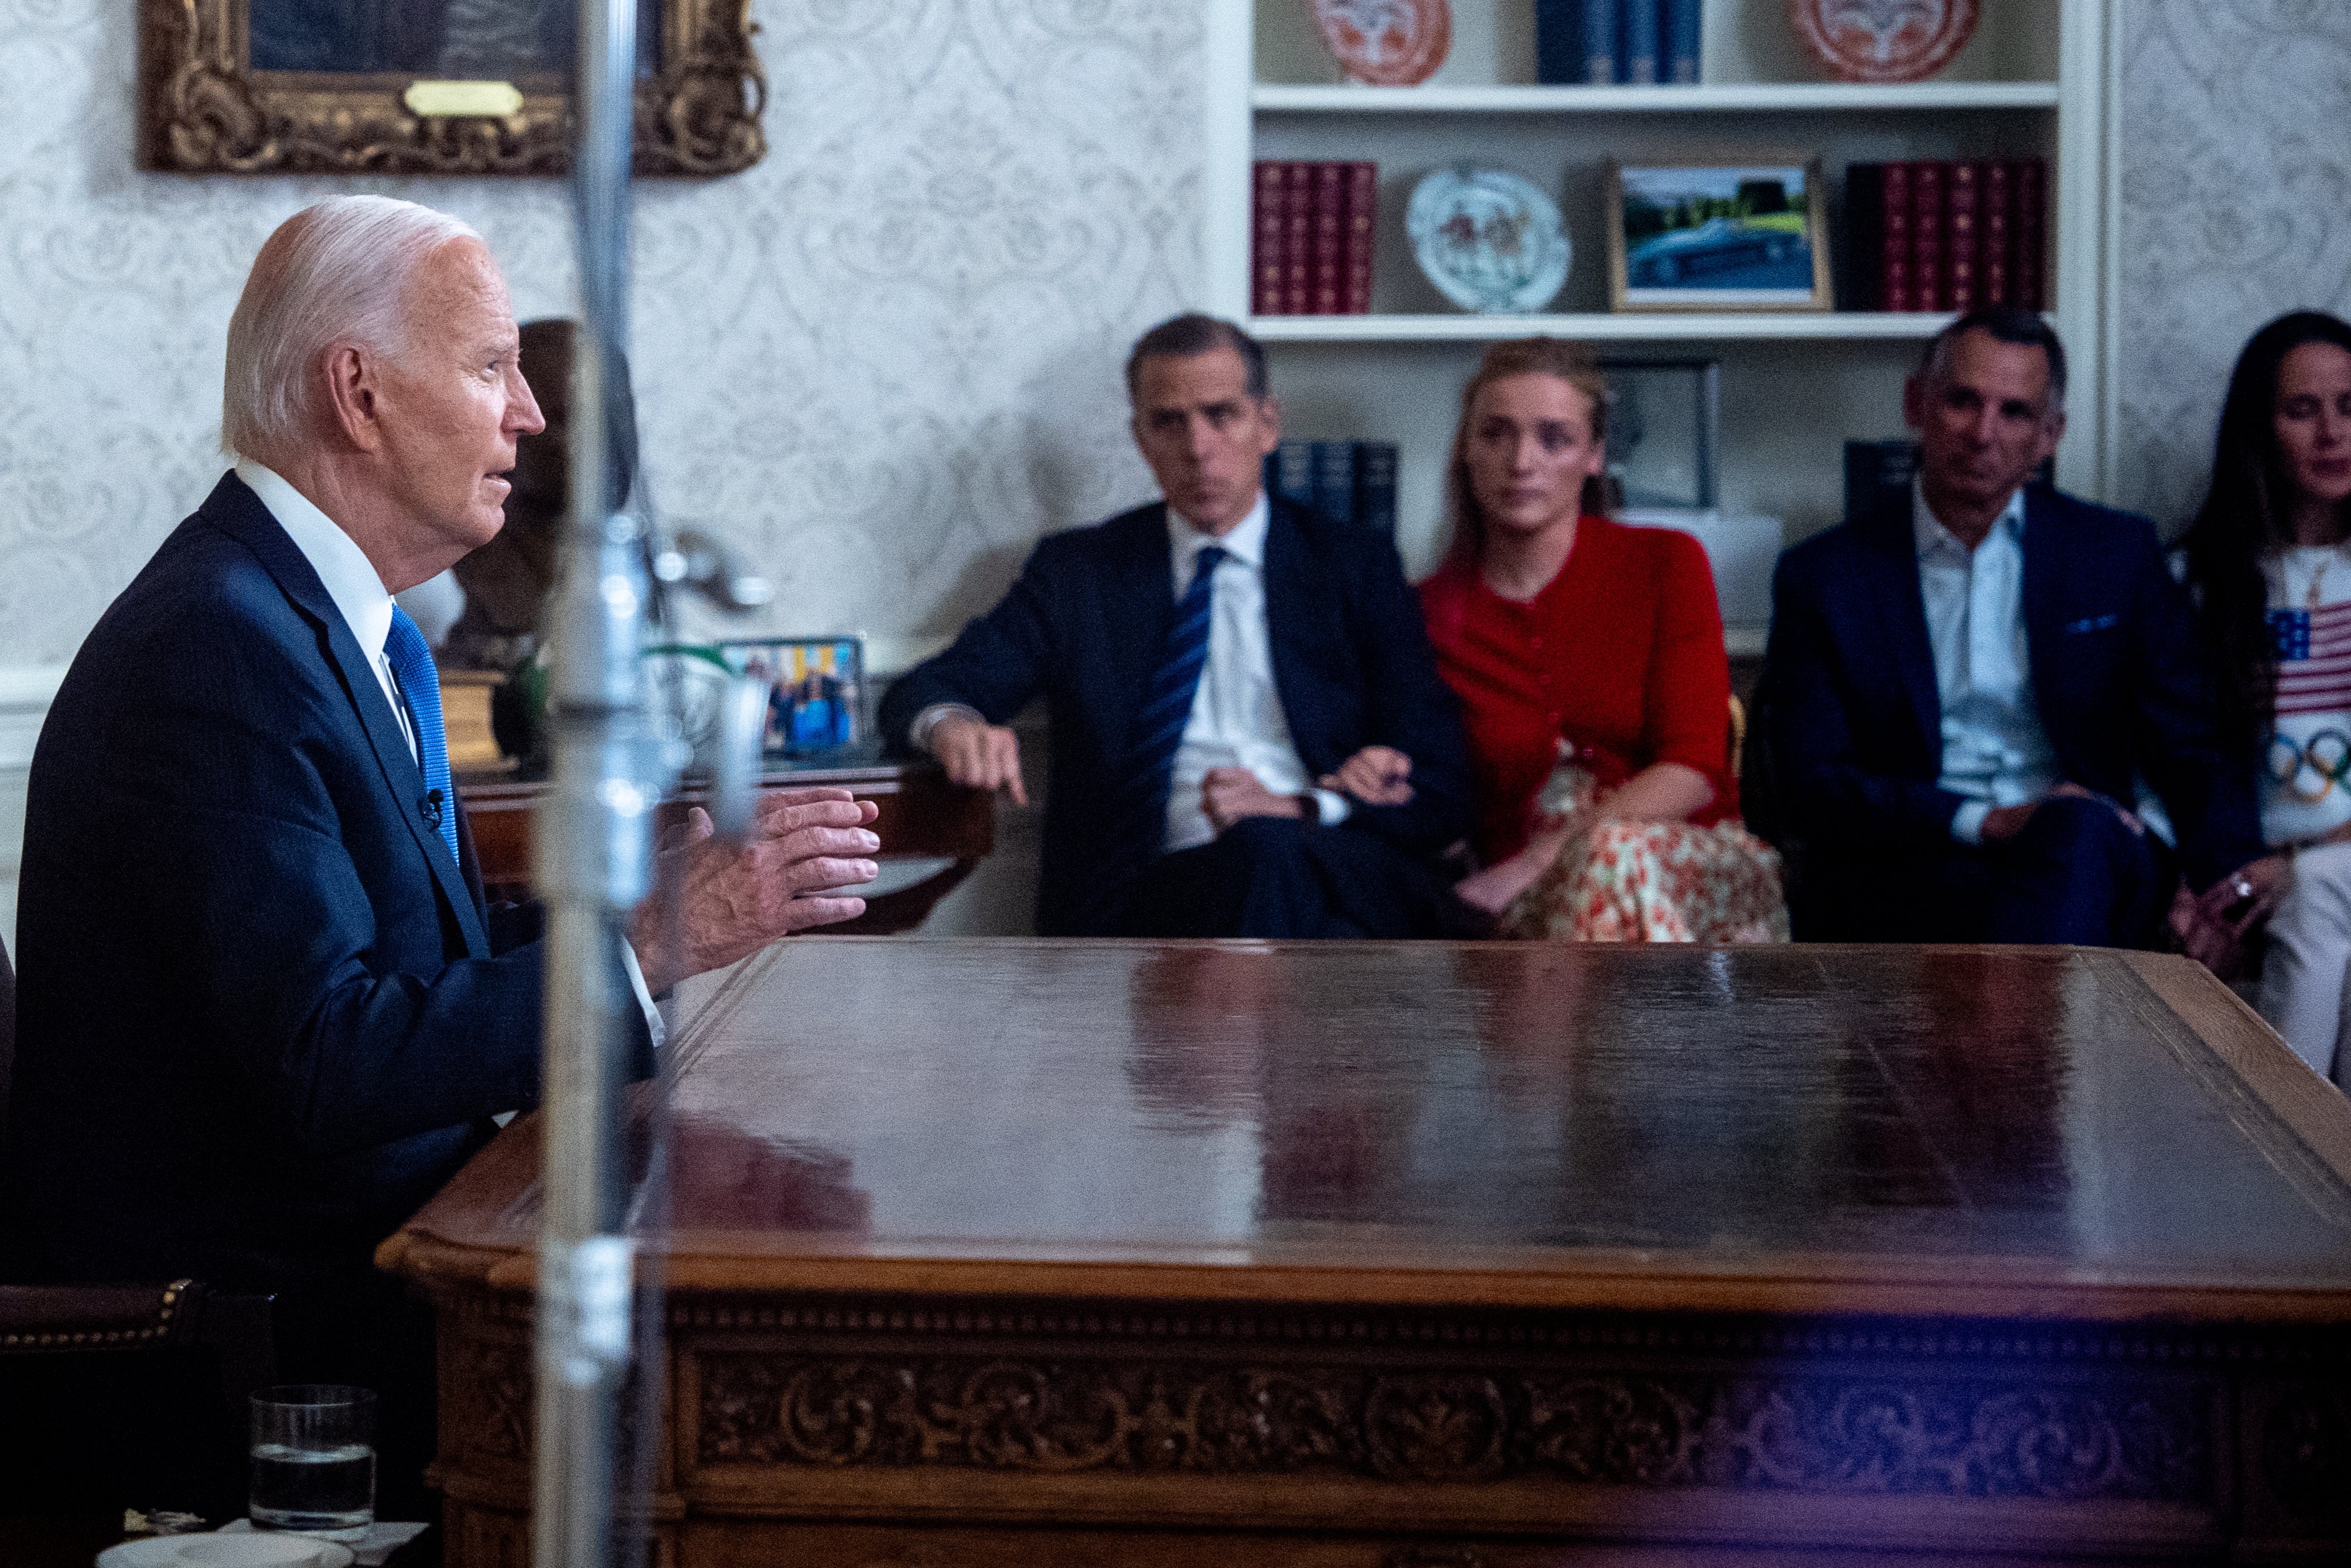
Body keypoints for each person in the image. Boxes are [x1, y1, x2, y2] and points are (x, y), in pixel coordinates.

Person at [0, 197, 882, 1508]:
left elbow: (407, 964)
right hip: (259, 1359)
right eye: (490, 367)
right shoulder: (219, 650)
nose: (527, 413)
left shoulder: (348, 625)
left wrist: (630, 900)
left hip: (374, 1278)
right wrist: (648, 940)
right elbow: (328, 1059)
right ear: (356, 392)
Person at [878, 313, 1475, 938]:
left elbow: (1441, 785)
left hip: (1333, 862)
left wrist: (1302, 805)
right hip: (1159, 890)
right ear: (1141, 439)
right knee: (1273, 878)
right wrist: (953, 725)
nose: (1197, 448)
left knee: (1268, 850)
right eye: (1170, 422)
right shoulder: (1081, 575)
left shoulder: (1352, 567)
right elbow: (920, 692)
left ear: (1266, 424)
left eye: (1221, 415)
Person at [1759, 305, 2265, 946]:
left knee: (2072, 834)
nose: (1982, 432)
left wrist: (2226, 884)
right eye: (1962, 401)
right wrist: (1984, 820)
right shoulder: (1826, 575)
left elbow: (2188, 743)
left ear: (2049, 434)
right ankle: (2031, 1048)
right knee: (1967, 884)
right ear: (1916, 405)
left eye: (2014, 412)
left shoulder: (2112, 555)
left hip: (2088, 850)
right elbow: (1813, 780)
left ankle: (2015, 1047)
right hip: (1915, 848)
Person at [1405, 337, 1785, 942]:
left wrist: (1545, 858)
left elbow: (1693, 767)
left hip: (1690, 867)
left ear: (1593, 455)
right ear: (1465, 449)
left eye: (1553, 437)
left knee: (1610, 858)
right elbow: (1435, 797)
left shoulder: (1664, 564)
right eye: (1496, 434)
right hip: (1518, 899)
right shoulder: (1424, 613)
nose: (1521, 461)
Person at [2178, 311, 2351, 1087]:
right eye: (2301, 410)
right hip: (2250, 860)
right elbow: (2172, 751)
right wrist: (2192, 881)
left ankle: (2283, 1149)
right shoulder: (2198, 578)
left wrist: (2301, 861)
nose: (2331, 434)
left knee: (2317, 892)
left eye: (2350, 407)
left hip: (2319, 864)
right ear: (2259, 426)